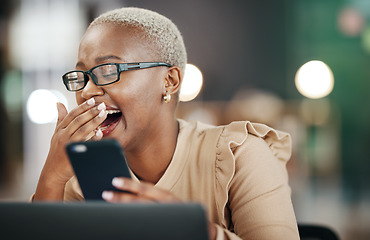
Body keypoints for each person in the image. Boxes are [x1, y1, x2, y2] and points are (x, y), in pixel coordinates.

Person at [33, 7, 300, 240]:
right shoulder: (81, 180)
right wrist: (51, 179)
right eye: (82, 75)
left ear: (169, 81)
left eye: (108, 71)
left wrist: (192, 229)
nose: (87, 91)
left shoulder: (239, 155)